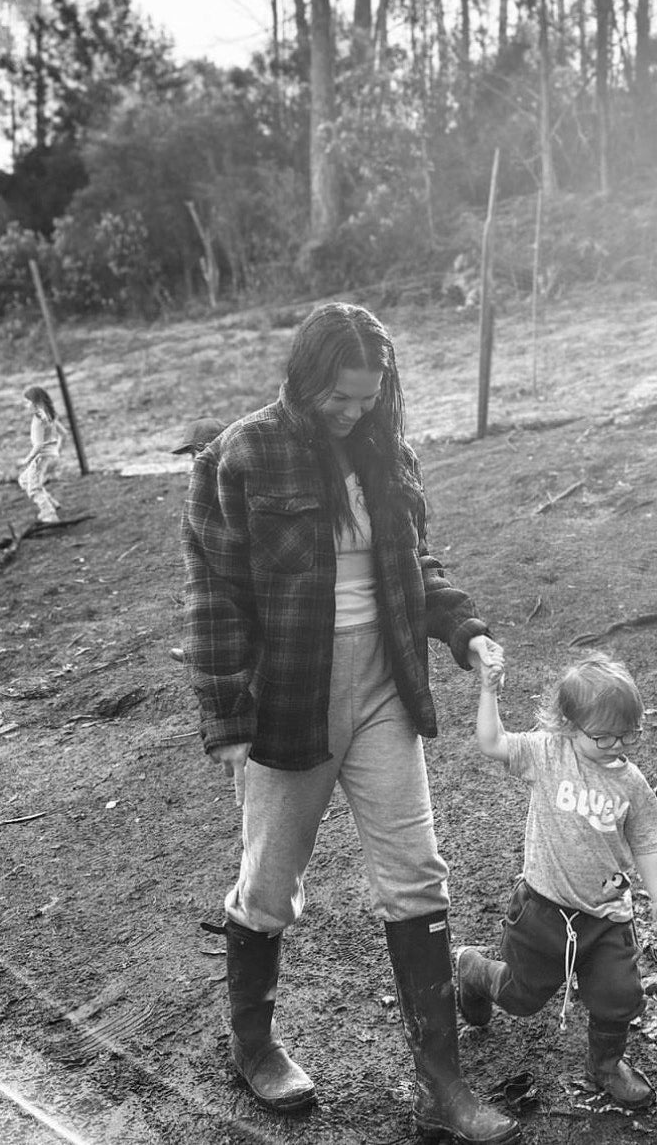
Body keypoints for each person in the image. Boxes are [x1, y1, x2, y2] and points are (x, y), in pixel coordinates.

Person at [180, 302, 520, 1145]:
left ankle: (440, 1086)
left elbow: (414, 567)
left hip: (381, 690)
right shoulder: (241, 454)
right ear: (303, 378)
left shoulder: (386, 450)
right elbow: (213, 595)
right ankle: (253, 1046)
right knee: (268, 885)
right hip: (291, 698)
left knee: (417, 873)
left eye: (367, 398)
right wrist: (227, 718)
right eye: (338, 397)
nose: (352, 411)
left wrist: (465, 629)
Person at [457, 650, 657, 1111]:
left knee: (620, 995)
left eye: (627, 733)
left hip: (606, 916)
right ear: (567, 725)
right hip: (543, 909)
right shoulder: (546, 753)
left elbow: (646, 844)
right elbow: (491, 741)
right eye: (602, 736)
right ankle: (472, 971)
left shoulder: (631, 784)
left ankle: (604, 1067)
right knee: (521, 998)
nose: (616, 744)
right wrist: (488, 690)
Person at [170, 418, 226, 663]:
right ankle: (200, 648)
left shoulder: (223, 472)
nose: (193, 461)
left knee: (209, 594)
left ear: (205, 448)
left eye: (194, 453)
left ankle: (203, 652)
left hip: (226, 555)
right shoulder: (210, 474)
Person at [17, 385, 68, 525]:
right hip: (50, 456)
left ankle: (49, 514)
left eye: (27, 401)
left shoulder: (38, 421)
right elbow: (64, 434)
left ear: (35, 402)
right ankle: (52, 503)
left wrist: (26, 460)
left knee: (33, 488)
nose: (25, 405)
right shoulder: (49, 415)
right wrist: (57, 451)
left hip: (40, 458)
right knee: (24, 480)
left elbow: (39, 445)